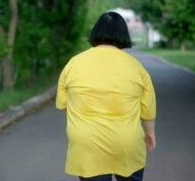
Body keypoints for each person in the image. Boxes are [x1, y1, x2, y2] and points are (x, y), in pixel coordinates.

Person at [56, 11, 157, 181]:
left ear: (96, 32)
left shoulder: (74, 63)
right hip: (126, 142)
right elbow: (148, 110)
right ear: (123, 34)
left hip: (86, 144)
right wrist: (150, 133)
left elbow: (64, 105)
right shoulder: (137, 68)